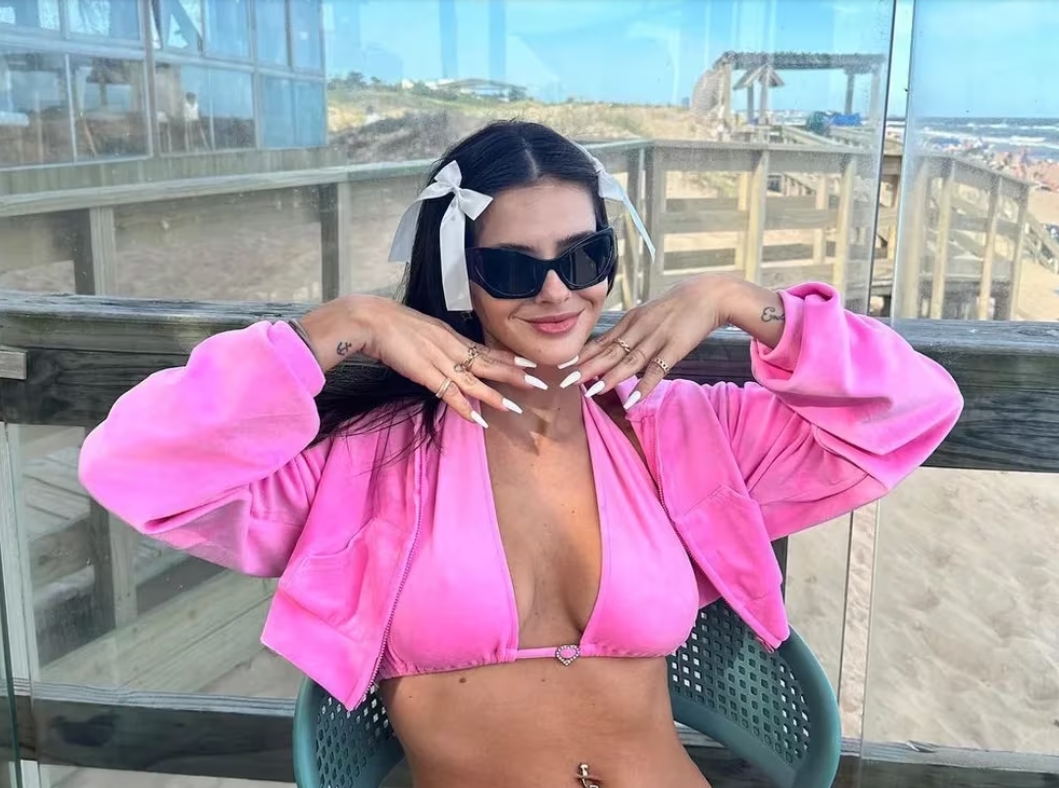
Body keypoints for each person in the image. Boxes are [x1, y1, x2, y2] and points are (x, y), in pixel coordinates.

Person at [79, 120, 964, 788]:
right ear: (455, 273)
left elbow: (915, 408)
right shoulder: (364, 464)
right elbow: (131, 465)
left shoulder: (683, 429)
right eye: (510, 267)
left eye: (583, 255)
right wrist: (344, 325)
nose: (554, 290)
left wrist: (743, 302)